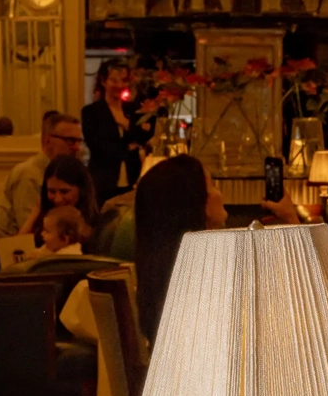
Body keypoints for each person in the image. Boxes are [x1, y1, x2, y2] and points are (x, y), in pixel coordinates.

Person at [135, 155, 228, 343]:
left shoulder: (160, 267)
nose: (220, 194)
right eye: (213, 185)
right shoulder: (203, 272)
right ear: (197, 202)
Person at [0, 111, 85, 248]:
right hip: (16, 259)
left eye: (79, 141)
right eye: (70, 141)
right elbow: (32, 236)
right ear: (47, 141)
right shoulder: (29, 175)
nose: (77, 147)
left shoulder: (68, 174)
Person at [82, 59, 154, 205]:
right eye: (114, 80)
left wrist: (124, 123)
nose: (119, 85)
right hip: (103, 181)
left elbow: (143, 138)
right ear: (103, 82)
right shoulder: (91, 112)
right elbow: (99, 148)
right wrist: (128, 147)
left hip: (132, 178)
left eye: (123, 81)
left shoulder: (133, 110)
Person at [19, 155, 100, 245]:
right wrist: (33, 216)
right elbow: (18, 249)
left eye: (64, 191)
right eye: (51, 191)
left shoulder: (95, 228)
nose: (57, 199)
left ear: (82, 190)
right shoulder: (43, 216)